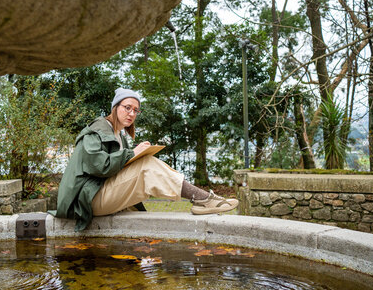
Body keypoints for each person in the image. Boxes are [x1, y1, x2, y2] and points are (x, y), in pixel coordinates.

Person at [50, 88, 239, 231]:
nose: (132, 113)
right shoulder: (96, 130)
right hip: (86, 200)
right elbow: (98, 165)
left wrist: (135, 154)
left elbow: (115, 169)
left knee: (146, 163)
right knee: (146, 166)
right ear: (115, 108)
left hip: (97, 194)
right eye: (127, 108)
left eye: (136, 110)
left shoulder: (120, 135)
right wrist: (132, 154)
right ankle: (203, 199)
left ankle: (202, 199)